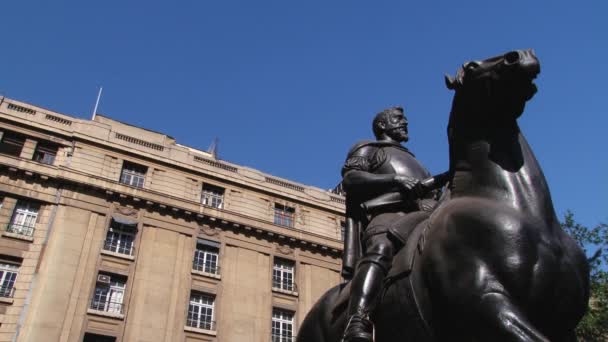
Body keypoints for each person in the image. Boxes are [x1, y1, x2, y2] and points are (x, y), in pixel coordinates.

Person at [341, 106, 448, 342]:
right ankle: (358, 319)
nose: (405, 122)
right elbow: (351, 178)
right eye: (398, 119)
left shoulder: (417, 161)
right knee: (381, 248)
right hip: (389, 215)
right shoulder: (368, 148)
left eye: (404, 118)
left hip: (424, 216)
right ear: (382, 125)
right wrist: (395, 179)